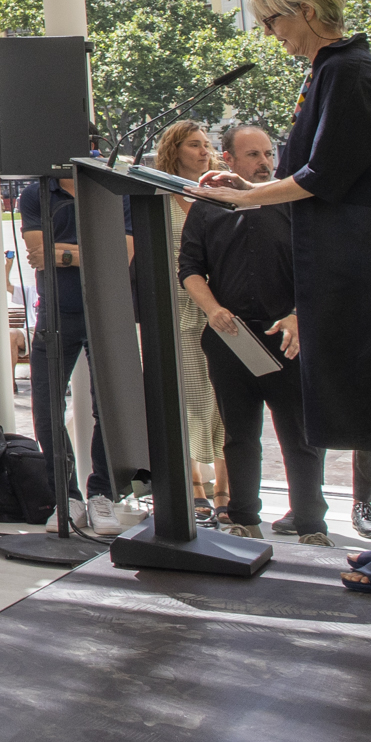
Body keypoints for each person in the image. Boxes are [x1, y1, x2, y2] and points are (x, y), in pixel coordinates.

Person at [198, 0, 371, 593]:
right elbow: (325, 169)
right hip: (369, 252)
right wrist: (253, 186)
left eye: (272, 21)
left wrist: (248, 197)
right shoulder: (337, 70)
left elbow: (323, 176)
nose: (271, 34)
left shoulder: (346, 73)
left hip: (362, 257)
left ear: (305, 10)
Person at [181, 124, 324, 544]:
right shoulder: (207, 207)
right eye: (253, 155)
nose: (265, 163)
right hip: (231, 338)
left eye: (268, 154)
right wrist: (213, 309)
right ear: (228, 159)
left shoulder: (292, 202)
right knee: (239, 435)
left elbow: (317, 265)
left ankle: (312, 525)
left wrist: (298, 314)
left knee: (300, 438)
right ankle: (243, 519)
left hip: (287, 338)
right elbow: (189, 268)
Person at [19, 170, 124, 534]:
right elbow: (37, 254)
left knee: (108, 407)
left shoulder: (111, 190)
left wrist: (60, 252)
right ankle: (67, 498)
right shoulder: (36, 194)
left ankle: (103, 495)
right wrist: (90, 253)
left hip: (107, 311)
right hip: (55, 312)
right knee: (46, 408)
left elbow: (121, 254)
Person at [153, 121, 229, 521]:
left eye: (206, 145)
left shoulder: (217, 194)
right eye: (194, 145)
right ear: (175, 150)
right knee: (188, 396)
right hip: (177, 305)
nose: (204, 152)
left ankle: (227, 490)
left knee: (226, 397)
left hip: (221, 303)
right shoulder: (157, 196)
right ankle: (194, 485)